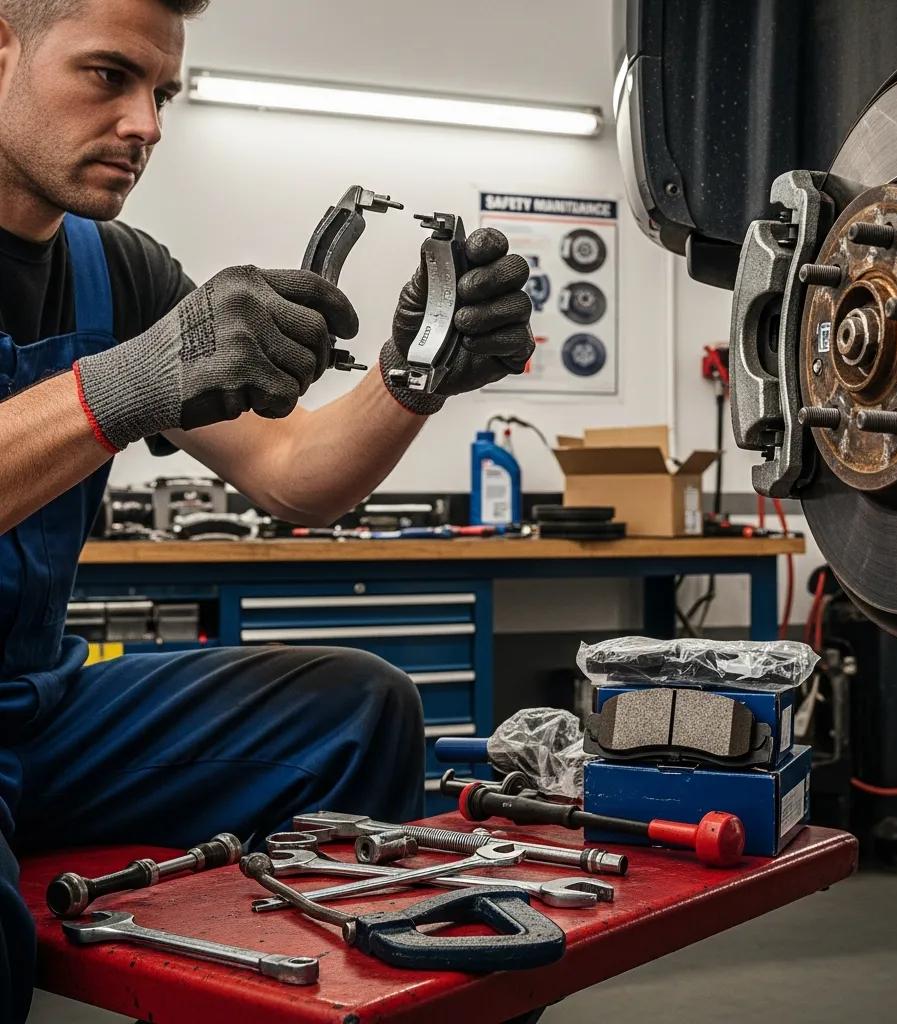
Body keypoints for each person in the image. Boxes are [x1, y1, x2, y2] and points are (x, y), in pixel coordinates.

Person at [0, 0, 535, 1018]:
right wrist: (124, 386)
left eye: (162, 92)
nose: (147, 123)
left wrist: (413, 375)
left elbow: (293, 472)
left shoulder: (113, 267)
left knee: (354, 707)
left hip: (34, 704)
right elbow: (129, 386)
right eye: (108, 76)